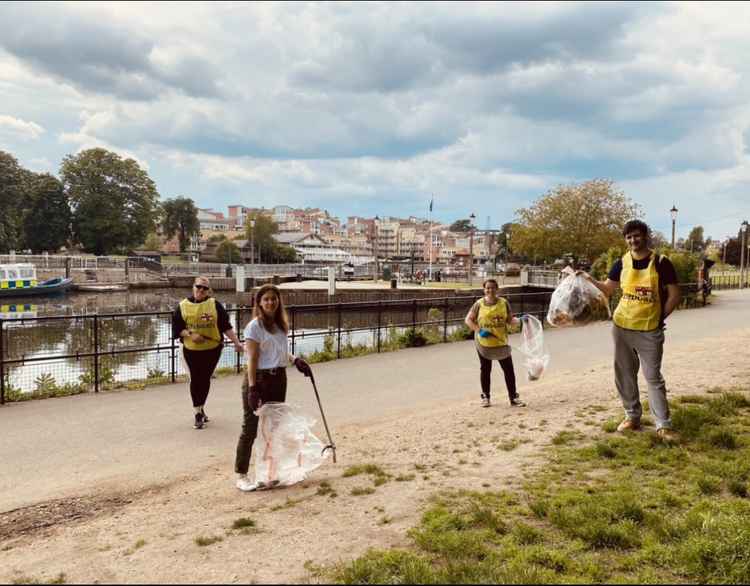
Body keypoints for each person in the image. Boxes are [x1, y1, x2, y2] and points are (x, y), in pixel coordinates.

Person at [583, 220, 681, 442]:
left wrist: (659, 318)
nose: (633, 240)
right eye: (628, 237)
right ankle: (632, 416)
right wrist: (589, 279)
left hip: (649, 330)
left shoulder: (662, 263)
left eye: (636, 236)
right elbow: (608, 289)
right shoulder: (622, 263)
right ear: (625, 240)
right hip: (622, 327)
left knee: (653, 377)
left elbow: (674, 295)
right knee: (625, 374)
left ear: (645, 235)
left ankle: (663, 425)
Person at [235, 284, 312, 492]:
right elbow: (252, 359)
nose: (270, 302)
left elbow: (279, 352)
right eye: (266, 299)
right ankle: (241, 474)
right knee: (250, 428)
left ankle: (269, 472)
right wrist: (252, 388)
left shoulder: (279, 326)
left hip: (278, 378)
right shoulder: (254, 327)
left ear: (279, 302)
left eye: (274, 299)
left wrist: (295, 360)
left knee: (273, 429)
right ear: (259, 303)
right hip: (259, 379)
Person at [172, 276, 243, 429]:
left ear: (208, 290)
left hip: (212, 350)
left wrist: (236, 342)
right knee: (196, 379)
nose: (201, 290)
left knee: (204, 379)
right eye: (199, 287)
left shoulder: (215, 305)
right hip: (191, 350)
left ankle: (201, 406)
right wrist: (191, 334)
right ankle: (197, 412)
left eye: (205, 288)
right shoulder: (183, 306)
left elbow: (226, 326)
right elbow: (177, 329)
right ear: (193, 287)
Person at [465, 278, 525, 408]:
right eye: (487, 288)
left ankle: (513, 397)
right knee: (485, 369)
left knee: (509, 370)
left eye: (492, 288)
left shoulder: (504, 303)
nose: (490, 290)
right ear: (484, 290)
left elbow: (510, 320)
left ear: (497, 289)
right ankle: (486, 397)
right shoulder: (478, 304)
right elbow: (468, 320)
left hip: (501, 342)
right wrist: (478, 330)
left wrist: (521, 320)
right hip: (484, 343)